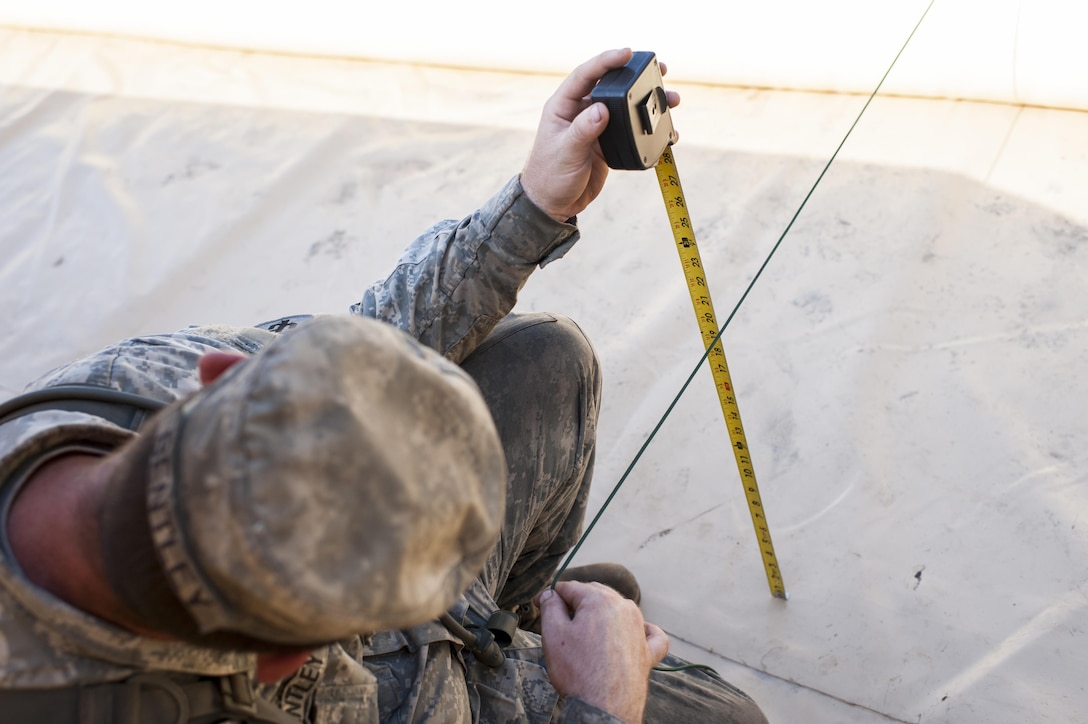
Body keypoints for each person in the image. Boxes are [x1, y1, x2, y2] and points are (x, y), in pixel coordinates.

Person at [0, 49, 768, 723]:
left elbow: (372, 344)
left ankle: (514, 614)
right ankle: (533, 641)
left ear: (220, 374)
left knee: (547, 360)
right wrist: (604, 700)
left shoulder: (121, 383)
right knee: (730, 717)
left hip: (383, 630)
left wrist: (536, 204)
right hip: (438, 700)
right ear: (287, 666)